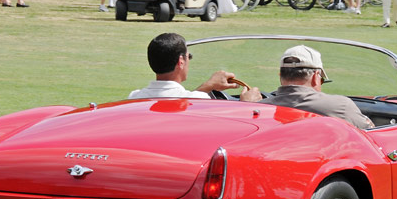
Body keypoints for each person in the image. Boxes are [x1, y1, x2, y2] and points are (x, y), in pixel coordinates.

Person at [261, 45, 374, 129]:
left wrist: (248, 103)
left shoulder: (259, 108)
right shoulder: (341, 106)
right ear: (315, 77)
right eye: (322, 80)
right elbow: (370, 132)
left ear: (281, 77)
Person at [128, 33, 260, 100]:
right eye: (188, 56)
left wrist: (209, 85)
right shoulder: (199, 100)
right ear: (181, 62)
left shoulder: (134, 98)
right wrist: (249, 105)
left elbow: (183, 100)